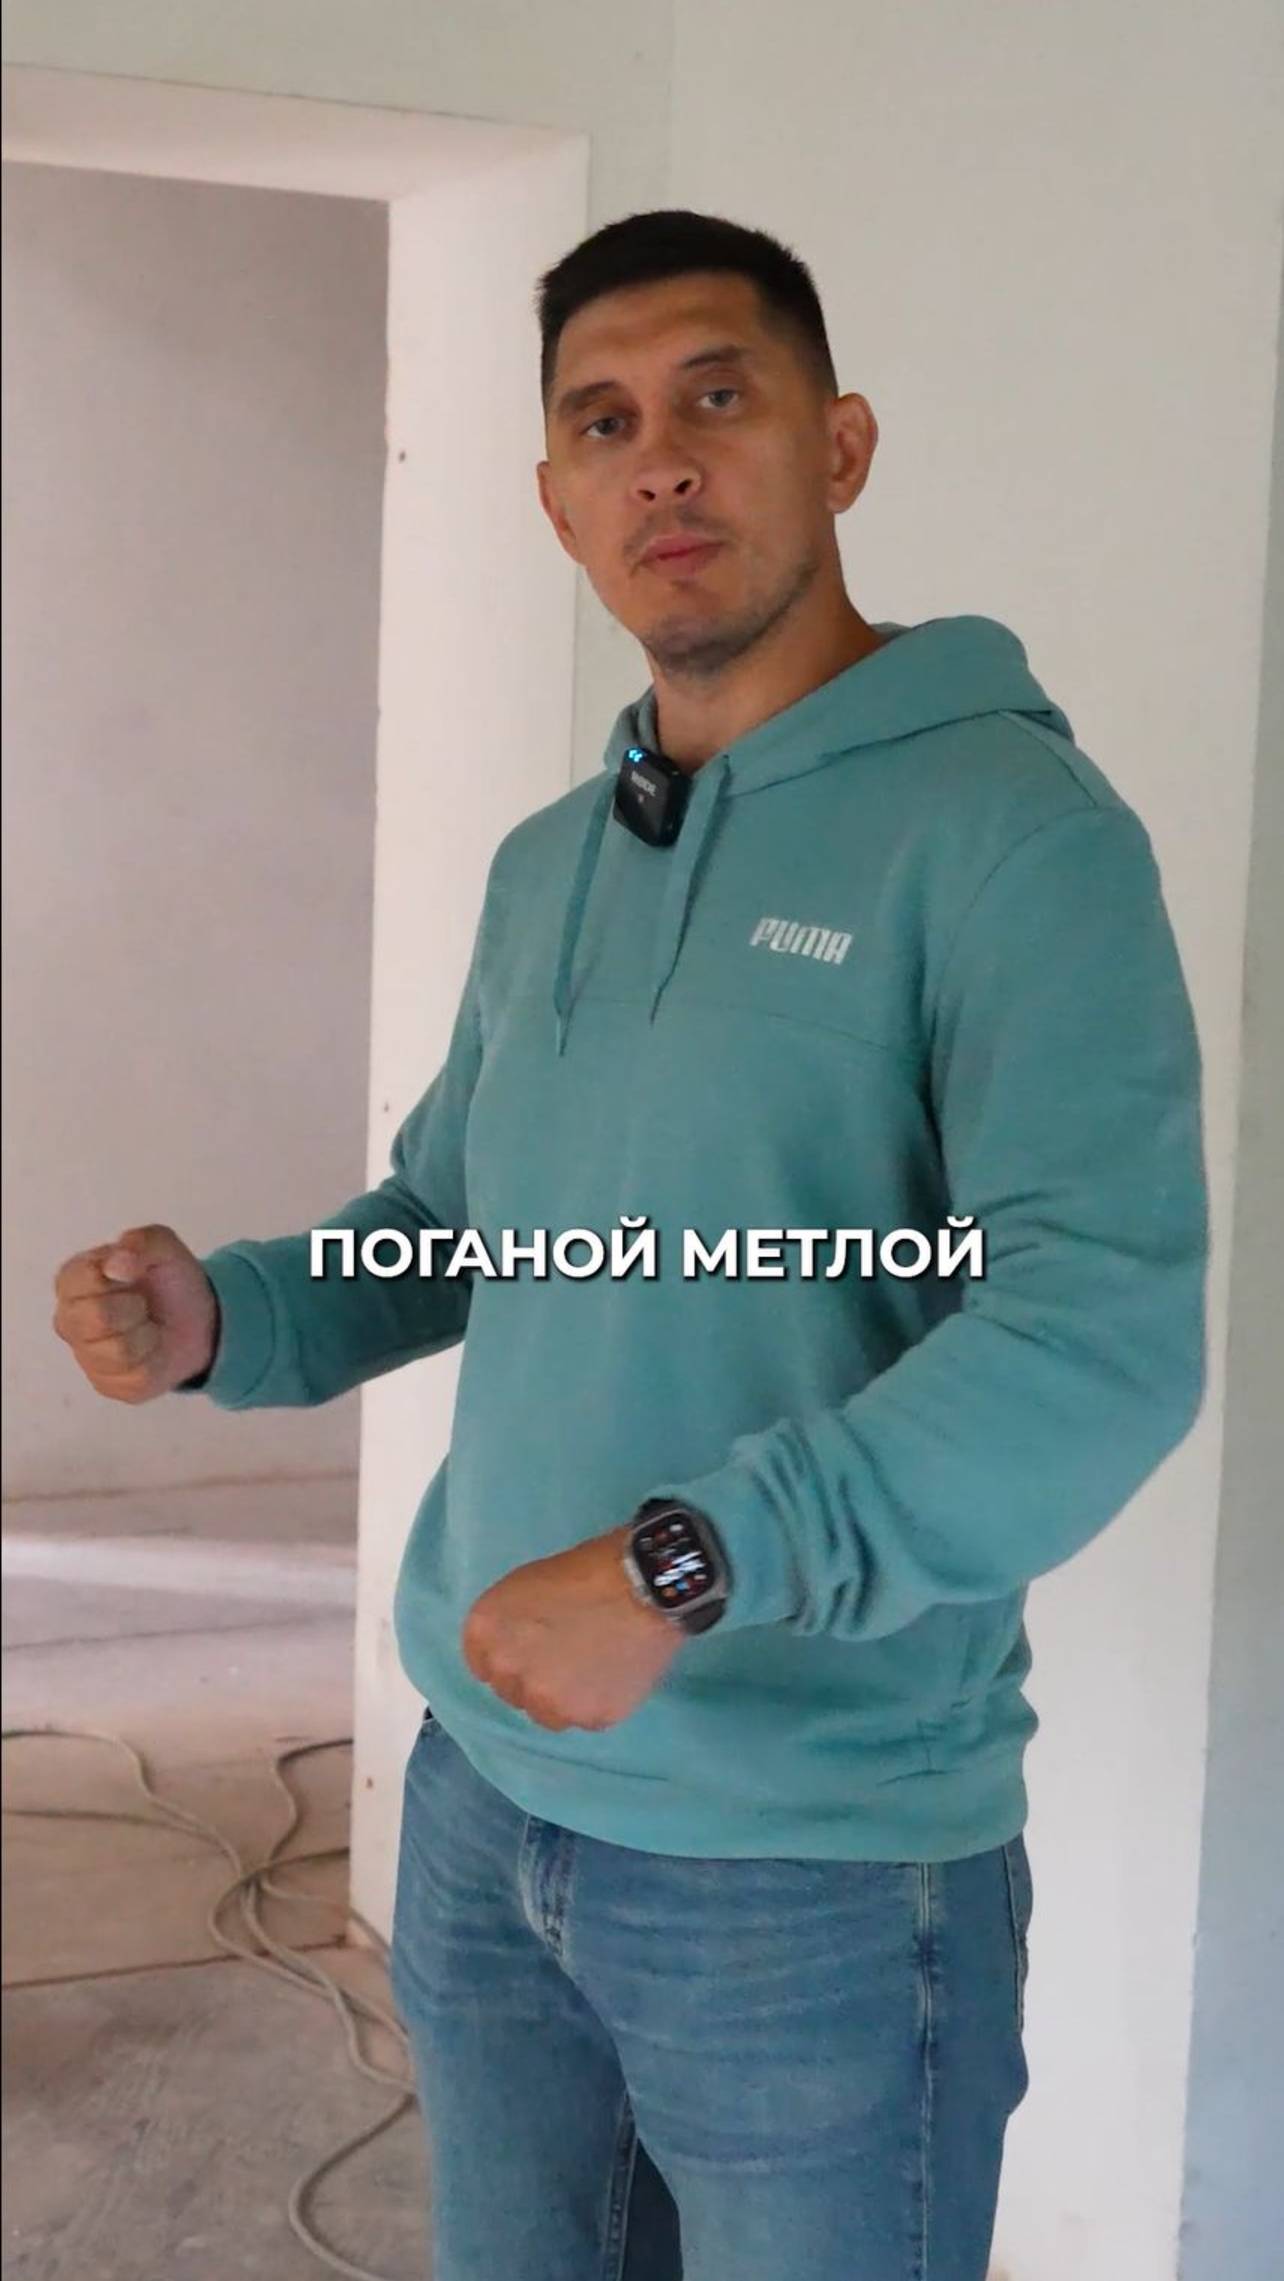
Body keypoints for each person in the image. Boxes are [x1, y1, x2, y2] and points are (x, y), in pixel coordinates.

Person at [52, 208, 1208, 2281]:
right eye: (603, 422)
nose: (659, 458)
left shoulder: (1014, 835)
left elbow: (1098, 1331)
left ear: (840, 447)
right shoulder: (551, 868)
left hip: (815, 1875)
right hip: (488, 1822)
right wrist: (234, 1311)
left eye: (716, 396)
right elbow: (452, 1224)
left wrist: (687, 1562)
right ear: (556, 501)